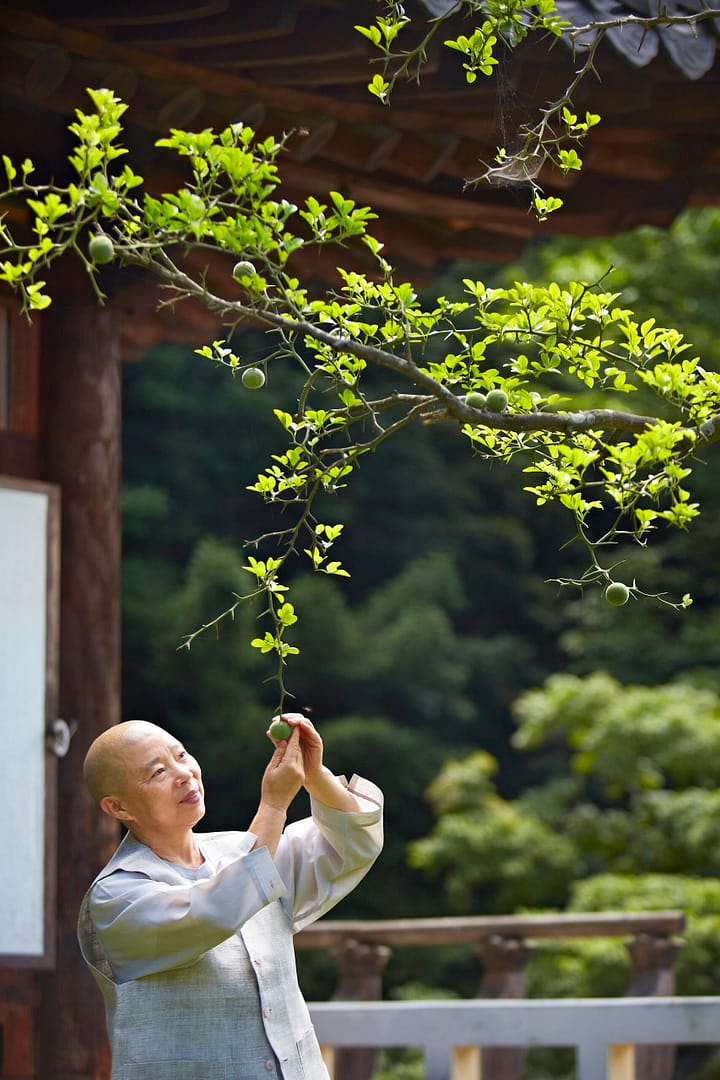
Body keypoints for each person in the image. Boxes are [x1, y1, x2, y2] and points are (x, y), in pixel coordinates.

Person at [77, 714, 383, 1079]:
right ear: (118, 808)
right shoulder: (117, 894)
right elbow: (214, 909)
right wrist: (272, 808)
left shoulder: (244, 848)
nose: (184, 773)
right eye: (158, 772)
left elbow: (354, 845)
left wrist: (314, 775)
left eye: (182, 755)